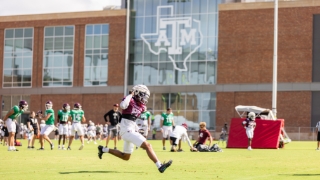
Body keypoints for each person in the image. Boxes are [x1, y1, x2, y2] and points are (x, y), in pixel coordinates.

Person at [97, 85, 173, 173]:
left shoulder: (141, 106)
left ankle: (103, 149)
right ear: (137, 93)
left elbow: (132, 119)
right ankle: (159, 165)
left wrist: (137, 128)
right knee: (148, 146)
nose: (145, 98)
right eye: (143, 95)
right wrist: (130, 95)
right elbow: (123, 105)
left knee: (125, 156)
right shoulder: (130, 100)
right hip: (126, 130)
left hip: (130, 129)